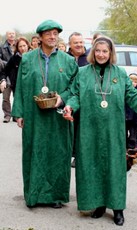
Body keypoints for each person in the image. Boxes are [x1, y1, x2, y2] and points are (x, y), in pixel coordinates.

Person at [62, 36, 137, 226]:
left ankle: (117, 208)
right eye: (98, 51)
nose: (101, 54)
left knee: (114, 167)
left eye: (105, 51)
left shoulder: (120, 73)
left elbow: (133, 95)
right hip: (89, 130)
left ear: (111, 53)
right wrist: (69, 106)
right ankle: (99, 204)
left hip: (113, 130)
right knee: (92, 166)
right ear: (93, 52)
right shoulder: (83, 73)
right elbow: (75, 94)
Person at [11, 19, 79, 209]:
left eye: (55, 34)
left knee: (58, 153)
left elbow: (75, 88)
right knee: (35, 152)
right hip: (34, 115)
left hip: (58, 115)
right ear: (40, 37)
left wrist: (62, 98)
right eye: (48, 34)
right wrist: (19, 113)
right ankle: (34, 195)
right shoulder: (28, 58)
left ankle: (56, 196)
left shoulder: (68, 60)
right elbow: (21, 87)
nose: (52, 37)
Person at [67, 32, 89, 168]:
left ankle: (79, 155)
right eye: (76, 43)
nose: (79, 45)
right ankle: (69, 153)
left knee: (82, 129)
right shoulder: (65, 58)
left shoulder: (89, 58)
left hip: (85, 99)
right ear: (70, 44)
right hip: (68, 98)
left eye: (81, 42)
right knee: (69, 127)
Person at [125, 73, 137, 153]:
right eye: (131, 81)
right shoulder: (124, 91)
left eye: (135, 81)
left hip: (135, 119)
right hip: (125, 118)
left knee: (133, 135)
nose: (133, 83)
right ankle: (125, 149)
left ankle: (133, 149)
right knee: (124, 134)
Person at [0, 29, 16, 123]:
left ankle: (15, 115)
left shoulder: (18, 45)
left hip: (17, 75)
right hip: (5, 74)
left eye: (13, 33)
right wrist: (10, 64)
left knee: (16, 96)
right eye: (9, 34)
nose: (11, 35)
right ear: (7, 36)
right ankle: (7, 115)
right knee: (6, 97)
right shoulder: (2, 47)